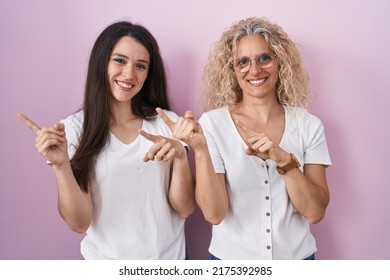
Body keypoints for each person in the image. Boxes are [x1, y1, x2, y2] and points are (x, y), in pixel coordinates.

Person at [18, 21, 195, 260]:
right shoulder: (73, 129)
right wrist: (61, 166)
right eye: (120, 61)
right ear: (102, 63)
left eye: (140, 66)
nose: (129, 74)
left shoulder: (168, 123)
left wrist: (181, 156)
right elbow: (79, 223)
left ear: (148, 74)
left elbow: (184, 208)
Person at [159, 16, 331, 260]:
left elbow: (314, 213)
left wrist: (286, 162)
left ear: (280, 62)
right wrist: (200, 150)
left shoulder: (308, 125)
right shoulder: (212, 123)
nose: (255, 70)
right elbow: (214, 214)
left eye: (264, 58)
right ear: (233, 71)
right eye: (243, 61)